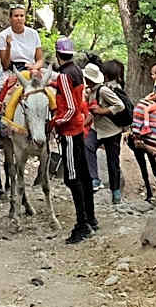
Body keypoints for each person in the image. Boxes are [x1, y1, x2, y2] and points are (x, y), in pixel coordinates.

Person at [49, 37, 96, 244]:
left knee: (72, 177)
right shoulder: (77, 71)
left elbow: (69, 107)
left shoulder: (64, 76)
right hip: (78, 129)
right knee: (84, 175)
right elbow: (78, 99)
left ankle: (81, 225)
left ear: (57, 54)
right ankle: (91, 218)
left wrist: (55, 122)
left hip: (68, 132)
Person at [84, 61, 126, 204]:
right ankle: (94, 179)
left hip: (112, 131)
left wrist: (103, 111)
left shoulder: (103, 90)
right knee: (87, 145)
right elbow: (93, 111)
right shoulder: (92, 91)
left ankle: (116, 193)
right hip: (97, 129)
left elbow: (120, 105)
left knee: (112, 162)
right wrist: (85, 123)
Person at [0, 4, 44, 73]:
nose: (19, 18)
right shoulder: (3, 35)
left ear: (25, 18)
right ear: (10, 18)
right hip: (11, 70)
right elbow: (5, 66)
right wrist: (8, 47)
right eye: (16, 16)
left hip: (31, 69)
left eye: (22, 16)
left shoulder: (33, 34)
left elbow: (40, 60)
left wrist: (34, 67)